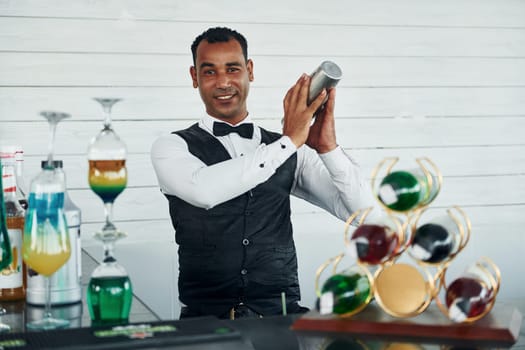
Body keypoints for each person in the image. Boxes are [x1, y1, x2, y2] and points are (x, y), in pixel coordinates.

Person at [151, 26, 378, 320]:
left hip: (283, 319)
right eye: (209, 72)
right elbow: (204, 191)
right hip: (205, 325)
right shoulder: (171, 146)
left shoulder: (286, 148)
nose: (223, 82)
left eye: (232, 69)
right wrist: (289, 142)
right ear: (194, 77)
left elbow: (369, 218)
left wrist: (328, 149)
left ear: (250, 71)